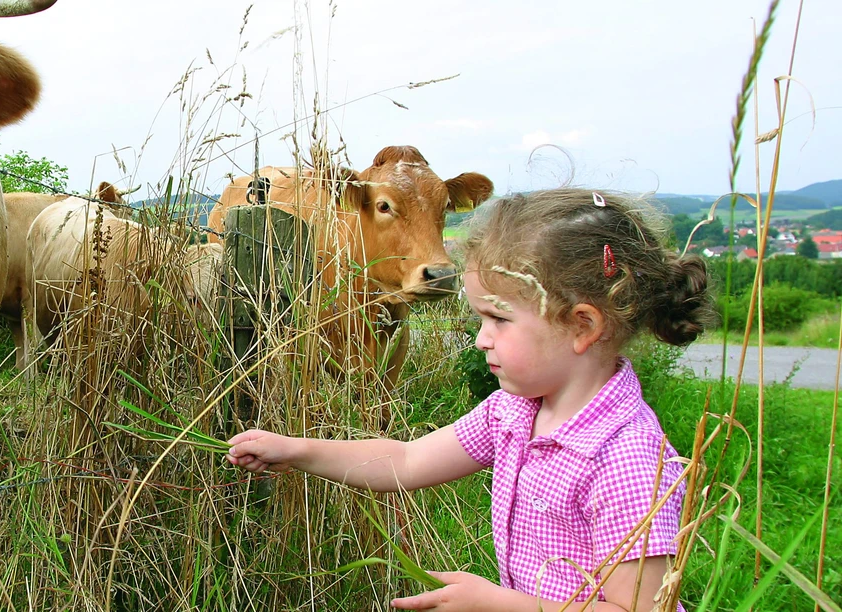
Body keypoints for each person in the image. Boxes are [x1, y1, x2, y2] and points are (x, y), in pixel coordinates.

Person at [227, 189, 712, 610]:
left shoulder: (626, 459)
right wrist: (299, 450)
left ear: (582, 326)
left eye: (498, 319)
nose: (481, 338)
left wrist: (501, 604)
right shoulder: (515, 412)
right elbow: (407, 461)